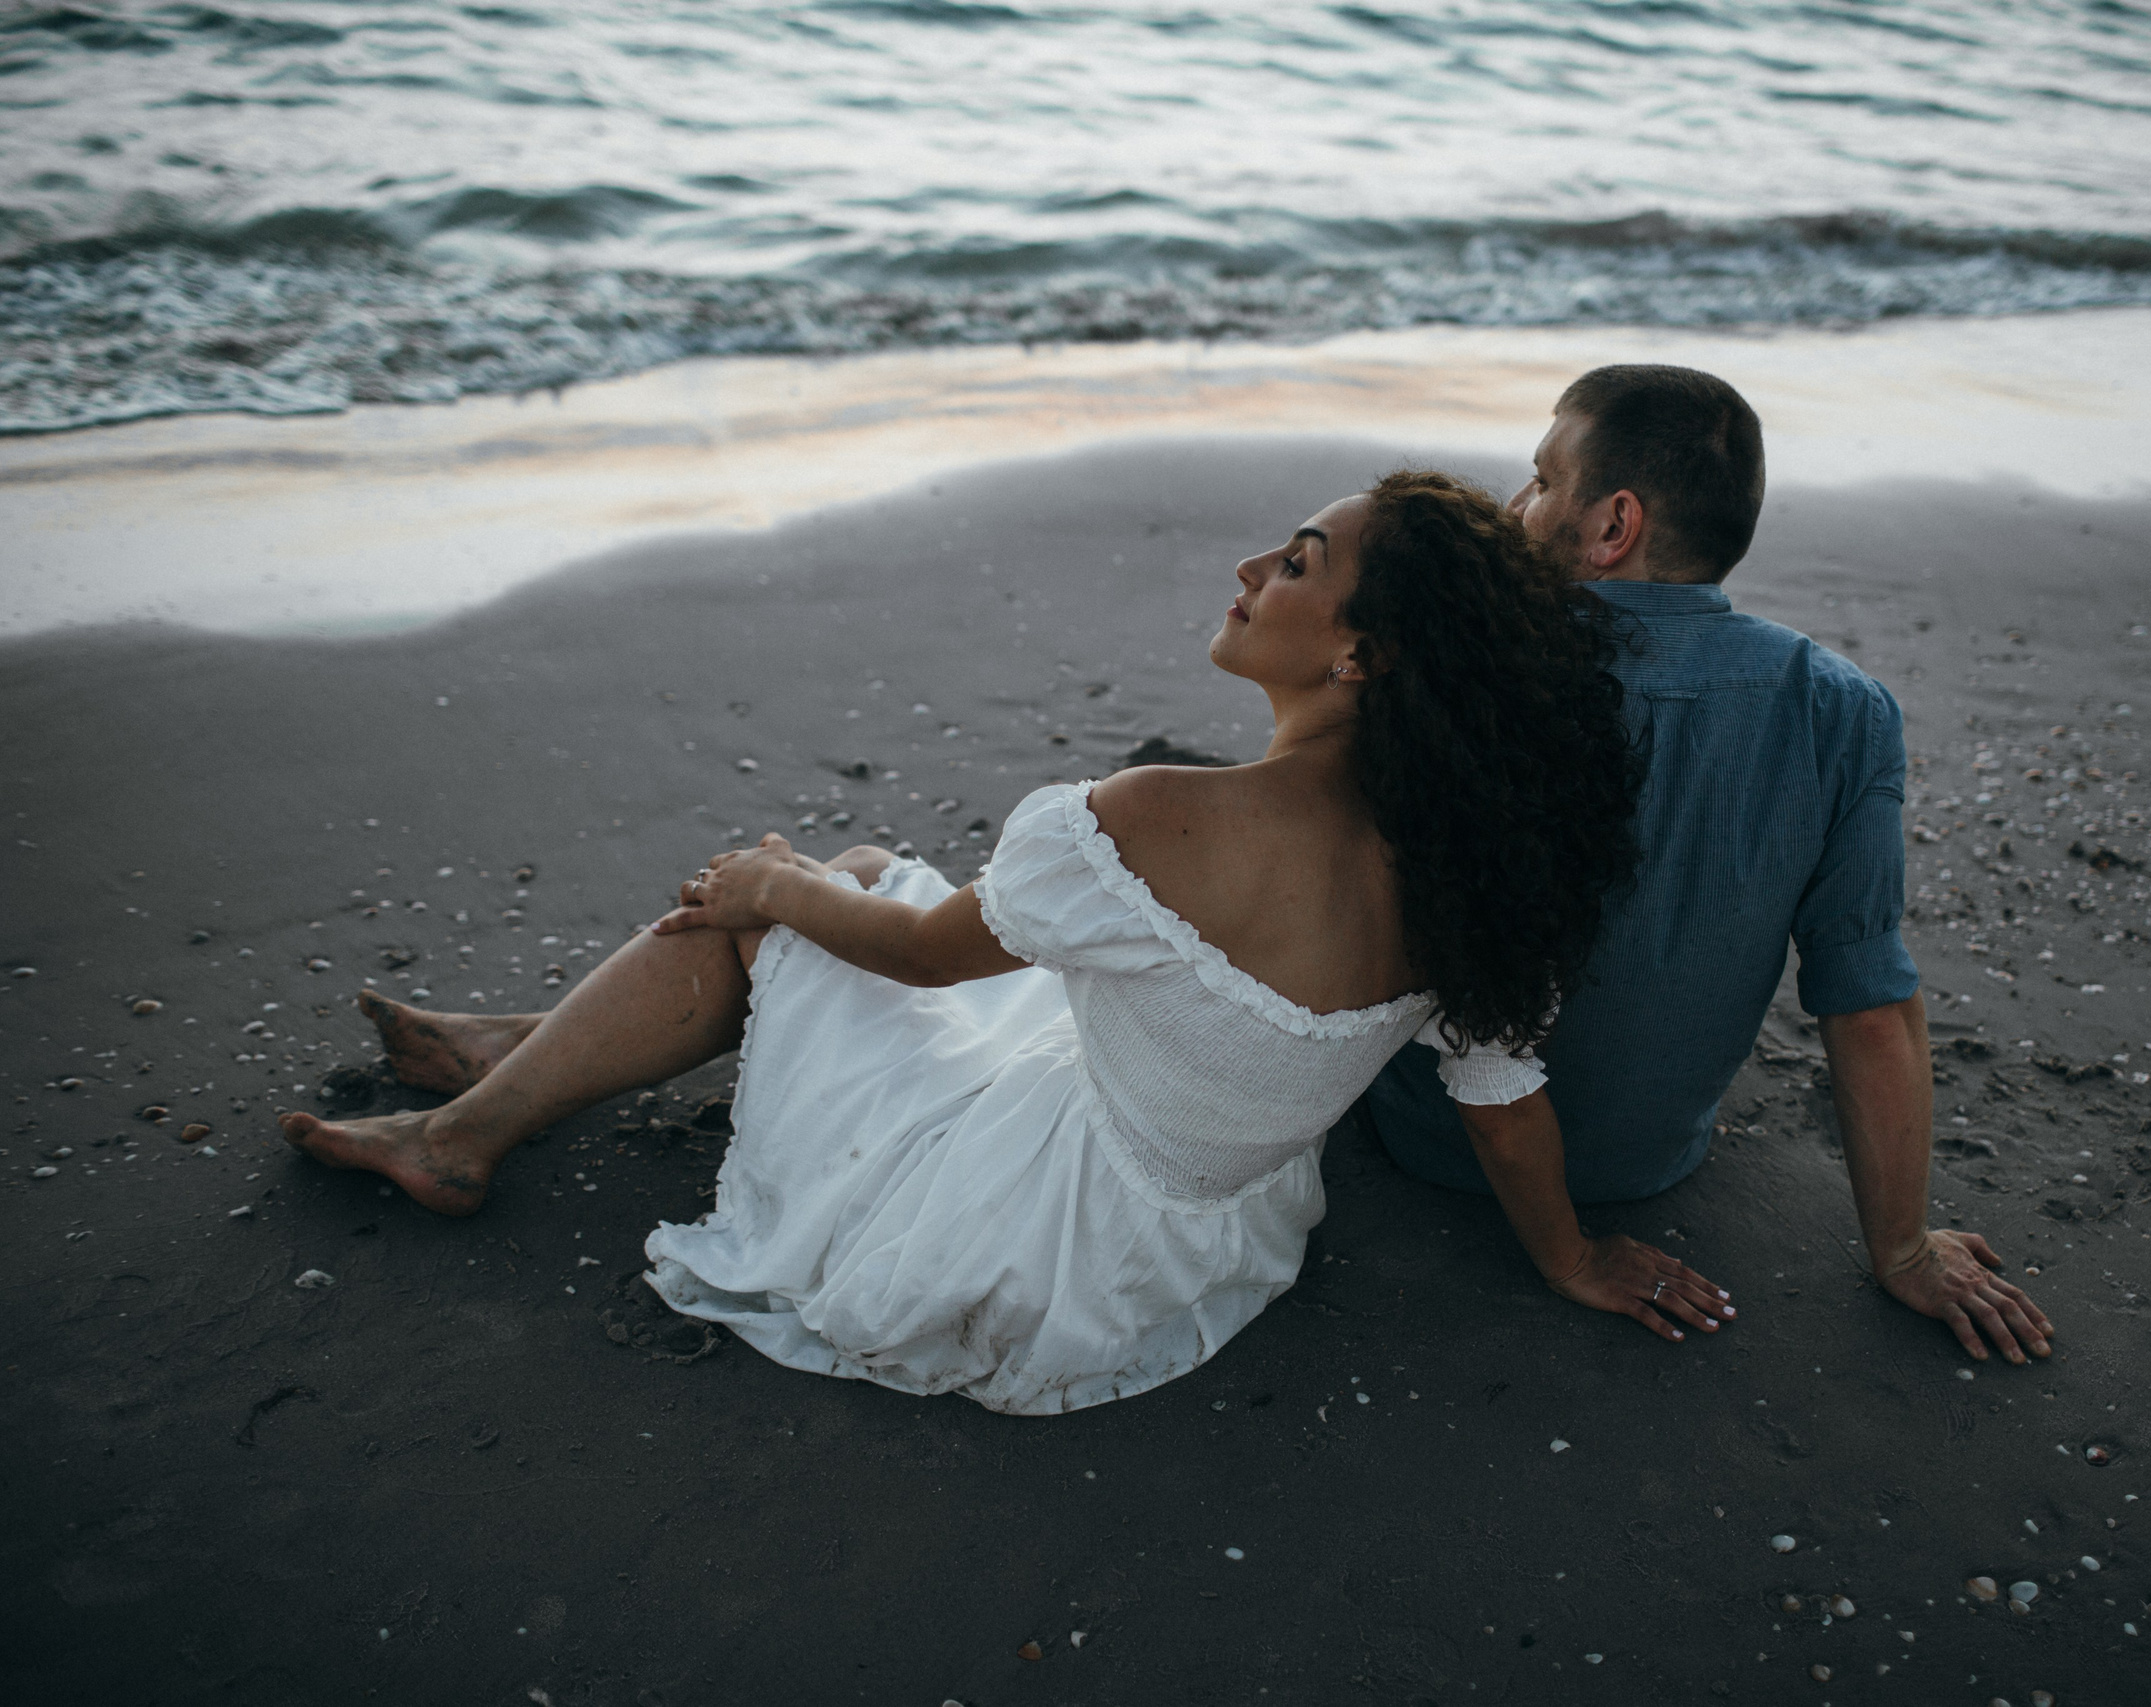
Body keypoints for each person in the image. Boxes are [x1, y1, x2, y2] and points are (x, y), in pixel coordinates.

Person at [276, 470, 1734, 1415]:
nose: (1245, 563)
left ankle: (458, 1134)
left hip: (1024, 1232)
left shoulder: (1161, 816)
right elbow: (1501, 1092)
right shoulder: (1480, 870)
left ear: (1360, 654)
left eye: (1292, 562)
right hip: (1189, 1240)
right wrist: (1571, 1254)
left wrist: (769, 883)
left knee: (827, 877)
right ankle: (518, 1043)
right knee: (839, 899)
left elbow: (915, 955)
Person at [1359, 366, 2055, 1365]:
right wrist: (1901, 1247)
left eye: (1542, 479)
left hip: (1432, 1137)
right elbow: (1865, 999)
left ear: (1613, 525)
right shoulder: (1842, 709)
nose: (1517, 507)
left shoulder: (1465, 672)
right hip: (1649, 1160)